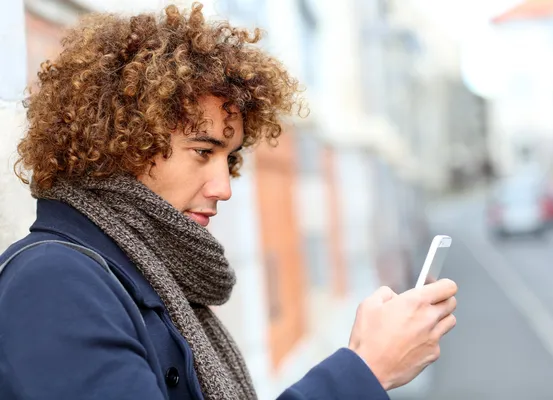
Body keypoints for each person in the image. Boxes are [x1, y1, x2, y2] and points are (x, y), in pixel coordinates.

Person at [0, 4, 457, 400]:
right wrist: (365, 371)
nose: (225, 186)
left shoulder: (149, 276)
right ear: (121, 142)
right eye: (203, 151)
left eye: (230, 157)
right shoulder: (54, 282)